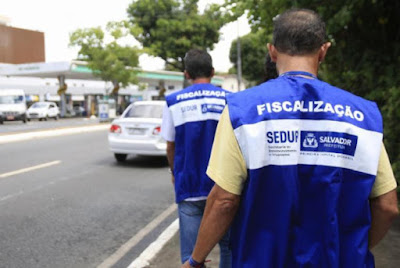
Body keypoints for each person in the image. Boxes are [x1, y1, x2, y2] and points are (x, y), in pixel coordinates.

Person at [182, 8, 398, 268]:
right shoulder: (363, 116)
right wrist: (354, 248)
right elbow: (387, 206)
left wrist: (195, 260)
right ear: (323, 50)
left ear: (272, 51)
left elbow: (224, 201)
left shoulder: (243, 110)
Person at [160, 49, 232, 267]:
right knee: (229, 249)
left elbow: (170, 145)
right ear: (212, 72)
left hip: (189, 186)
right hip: (225, 187)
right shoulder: (232, 99)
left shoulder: (173, 101)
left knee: (191, 258)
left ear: (186, 74)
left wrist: (174, 173)